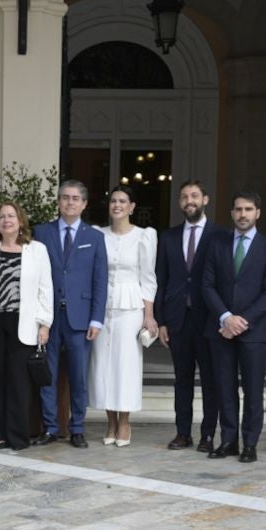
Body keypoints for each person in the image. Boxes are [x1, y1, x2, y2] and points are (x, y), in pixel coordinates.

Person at [0, 201, 53, 450]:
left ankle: (18, 436)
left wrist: (44, 324)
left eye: (11, 216)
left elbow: (45, 289)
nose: (6, 220)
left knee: (19, 383)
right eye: (2, 217)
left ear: (20, 221)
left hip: (24, 324)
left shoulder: (37, 250)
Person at [205, 191, 266, 462]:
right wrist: (226, 317)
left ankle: (250, 443)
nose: (243, 214)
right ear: (232, 213)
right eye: (238, 209)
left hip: (254, 331)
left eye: (248, 209)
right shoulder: (217, 245)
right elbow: (207, 285)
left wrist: (241, 321)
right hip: (221, 329)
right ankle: (228, 441)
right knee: (224, 388)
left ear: (258, 213)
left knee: (252, 390)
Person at [34, 179, 108, 447]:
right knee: (47, 375)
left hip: (80, 318)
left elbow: (100, 280)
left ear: (84, 204)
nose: (69, 202)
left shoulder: (95, 237)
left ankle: (77, 428)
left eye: (75, 198)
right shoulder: (41, 232)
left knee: (78, 377)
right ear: (58, 201)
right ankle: (51, 428)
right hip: (48, 318)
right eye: (65, 197)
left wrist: (97, 318)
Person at [89, 186, 157, 447]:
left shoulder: (144, 236)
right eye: (113, 201)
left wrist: (148, 315)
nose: (117, 205)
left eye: (122, 201)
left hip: (130, 308)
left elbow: (148, 278)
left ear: (132, 207)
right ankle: (110, 421)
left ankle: (125, 421)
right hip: (102, 307)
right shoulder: (98, 235)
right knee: (102, 364)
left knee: (125, 366)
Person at [156, 180, 217, 452]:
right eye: (184, 196)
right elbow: (161, 280)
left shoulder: (221, 235)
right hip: (178, 319)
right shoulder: (168, 237)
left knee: (210, 379)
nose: (189, 200)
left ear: (205, 199)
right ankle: (183, 433)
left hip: (209, 320)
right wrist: (161, 321)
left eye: (194, 195)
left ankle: (207, 434)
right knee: (182, 380)